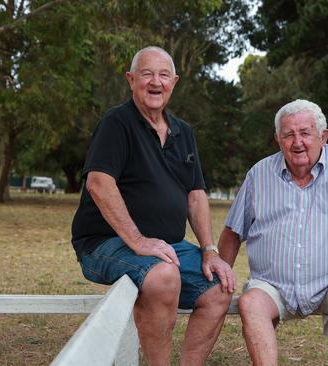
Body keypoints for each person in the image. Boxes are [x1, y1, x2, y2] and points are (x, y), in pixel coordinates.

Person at [71, 46, 236, 366]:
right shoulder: (116, 122)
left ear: (174, 82)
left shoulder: (184, 133)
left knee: (219, 288)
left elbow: (196, 194)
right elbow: (99, 183)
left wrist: (209, 249)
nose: (155, 81)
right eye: (146, 74)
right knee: (163, 276)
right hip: (105, 244)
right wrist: (137, 240)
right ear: (131, 80)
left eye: (163, 75)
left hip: (167, 246)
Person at [211, 99, 328, 365]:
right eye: (288, 135)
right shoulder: (259, 175)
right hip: (272, 285)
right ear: (277, 140)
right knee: (250, 304)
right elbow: (233, 231)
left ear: (323, 136)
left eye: (305, 133)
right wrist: (220, 278)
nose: (298, 142)